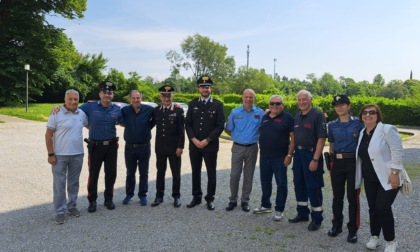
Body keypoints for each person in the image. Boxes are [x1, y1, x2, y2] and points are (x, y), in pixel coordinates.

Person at [355, 104, 403, 252]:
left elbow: (397, 150)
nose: (367, 115)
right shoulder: (362, 132)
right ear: (361, 115)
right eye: (365, 112)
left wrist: (395, 173)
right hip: (370, 178)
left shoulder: (387, 129)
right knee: (373, 208)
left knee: (382, 207)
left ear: (378, 115)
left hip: (388, 177)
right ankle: (374, 236)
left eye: (372, 112)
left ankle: (391, 241)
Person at [45, 89, 88, 224]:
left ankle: (72, 206)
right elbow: (48, 135)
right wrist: (50, 154)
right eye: (70, 99)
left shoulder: (82, 114)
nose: (73, 101)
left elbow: (90, 125)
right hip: (60, 156)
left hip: (77, 154)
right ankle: (60, 211)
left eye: (75, 99)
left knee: (74, 183)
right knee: (59, 184)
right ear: (65, 99)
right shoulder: (56, 113)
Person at [81, 81, 124, 212]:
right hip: (95, 146)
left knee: (111, 174)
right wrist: (58, 108)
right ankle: (92, 200)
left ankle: (108, 199)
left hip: (111, 146)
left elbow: (125, 121)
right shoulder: (89, 106)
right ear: (100, 94)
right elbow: (73, 110)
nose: (107, 95)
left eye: (110, 92)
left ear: (113, 95)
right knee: (93, 174)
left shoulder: (117, 108)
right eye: (104, 92)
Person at [327, 95, 364, 243]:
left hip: (353, 163)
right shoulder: (332, 125)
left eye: (342, 104)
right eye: (336, 105)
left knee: (352, 197)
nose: (339, 107)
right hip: (337, 163)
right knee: (337, 196)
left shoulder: (359, 123)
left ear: (349, 106)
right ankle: (337, 225)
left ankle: (353, 230)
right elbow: (331, 145)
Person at [289, 90, 327, 231]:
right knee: (299, 184)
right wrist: (289, 154)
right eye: (299, 100)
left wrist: (315, 159)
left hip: (311, 154)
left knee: (313, 186)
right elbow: (294, 138)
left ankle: (317, 218)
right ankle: (302, 213)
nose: (302, 102)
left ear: (310, 99)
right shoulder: (297, 116)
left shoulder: (317, 115)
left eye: (304, 99)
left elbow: (321, 138)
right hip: (298, 155)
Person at [185, 76, 225, 211]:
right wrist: (194, 140)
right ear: (198, 89)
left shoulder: (218, 105)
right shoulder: (193, 103)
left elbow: (220, 126)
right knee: (195, 171)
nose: (205, 89)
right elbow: (188, 124)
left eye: (207, 87)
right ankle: (196, 197)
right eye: (202, 87)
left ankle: (210, 198)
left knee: (211, 172)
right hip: (195, 145)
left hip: (210, 145)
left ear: (210, 89)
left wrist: (207, 140)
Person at [254, 95, 295, 221]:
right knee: (265, 181)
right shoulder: (265, 116)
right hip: (265, 156)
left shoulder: (288, 118)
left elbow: (293, 138)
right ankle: (266, 205)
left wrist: (289, 155)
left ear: (282, 105)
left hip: (280, 157)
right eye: (272, 103)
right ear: (268, 105)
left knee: (281, 183)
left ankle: (279, 210)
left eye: (278, 103)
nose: (274, 106)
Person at [224, 89, 264, 212]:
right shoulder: (235, 112)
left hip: (252, 148)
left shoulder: (260, 113)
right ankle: (233, 200)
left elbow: (264, 129)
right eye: (246, 97)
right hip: (237, 147)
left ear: (254, 98)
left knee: (248, 176)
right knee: (234, 175)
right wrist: (237, 137)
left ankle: (245, 201)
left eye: (251, 97)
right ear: (242, 98)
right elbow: (228, 129)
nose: (248, 99)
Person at [151, 84, 185, 208]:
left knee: (176, 173)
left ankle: (176, 196)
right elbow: (150, 125)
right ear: (160, 97)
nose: (167, 98)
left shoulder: (178, 110)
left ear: (172, 96)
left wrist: (180, 146)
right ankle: (159, 196)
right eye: (164, 96)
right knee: (160, 172)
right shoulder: (156, 110)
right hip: (160, 147)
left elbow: (182, 130)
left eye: (169, 96)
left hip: (174, 147)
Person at [120, 90, 155, 206]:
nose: (136, 100)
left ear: (141, 98)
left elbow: (155, 120)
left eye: (138, 98)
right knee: (130, 172)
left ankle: (142, 195)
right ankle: (129, 194)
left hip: (144, 146)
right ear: (130, 99)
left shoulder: (149, 109)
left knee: (144, 172)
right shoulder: (125, 110)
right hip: (130, 147)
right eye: (133, 98)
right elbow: (120, 121)